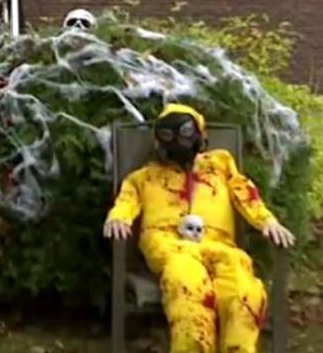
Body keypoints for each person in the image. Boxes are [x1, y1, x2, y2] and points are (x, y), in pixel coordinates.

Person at [103, 104, 295, 353]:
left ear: (199, 132)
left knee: (243, 291)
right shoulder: (143, 177)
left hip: (221, 245)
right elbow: (126, 201)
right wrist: (118, 218)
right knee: (187, 285)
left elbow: (245, 193)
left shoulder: (221, 164)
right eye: (169, 135)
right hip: (170, 245)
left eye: (185, 131)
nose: (180, 142)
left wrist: (267, 221)